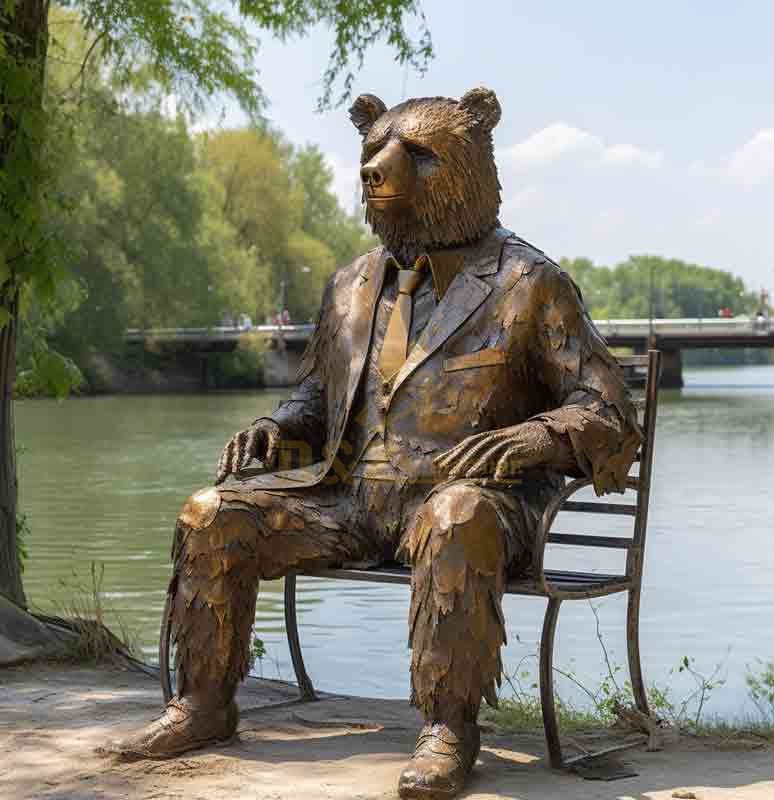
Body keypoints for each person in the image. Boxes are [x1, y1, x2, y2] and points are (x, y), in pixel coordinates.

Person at [110, 87, 641, 799]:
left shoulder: (529, 284)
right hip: (353, 503)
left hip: (476, 509)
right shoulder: (352, 285)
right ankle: (204, 704)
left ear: (471, 160)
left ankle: (448, 729)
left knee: (455, 517)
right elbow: (317, 397)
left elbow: (609, 412)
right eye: (373, 155)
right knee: (212, 511)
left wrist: (533, 436)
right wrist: (277, 426)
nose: (379, 168)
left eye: (416, 156)